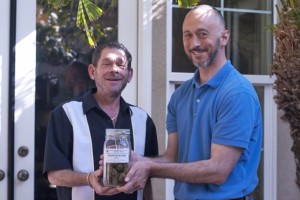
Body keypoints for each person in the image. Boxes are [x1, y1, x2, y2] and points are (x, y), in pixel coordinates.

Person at [114, 5, 262, 200]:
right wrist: (137, 162)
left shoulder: (237, 93)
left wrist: (149, 168)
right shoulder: (180, 96)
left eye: (203, 34)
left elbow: (218, 171)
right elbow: (172, 158)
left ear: (224, 37)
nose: (195, 43)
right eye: (188, 35)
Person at [43, 41, 159, 200]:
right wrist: (88, 179)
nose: (114, 69)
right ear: (92, 71)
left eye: (121, 65)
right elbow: (54, 175)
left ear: (129, 74)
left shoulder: (143, 120)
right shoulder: (66, 115)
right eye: (107, 63)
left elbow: (147, 179)